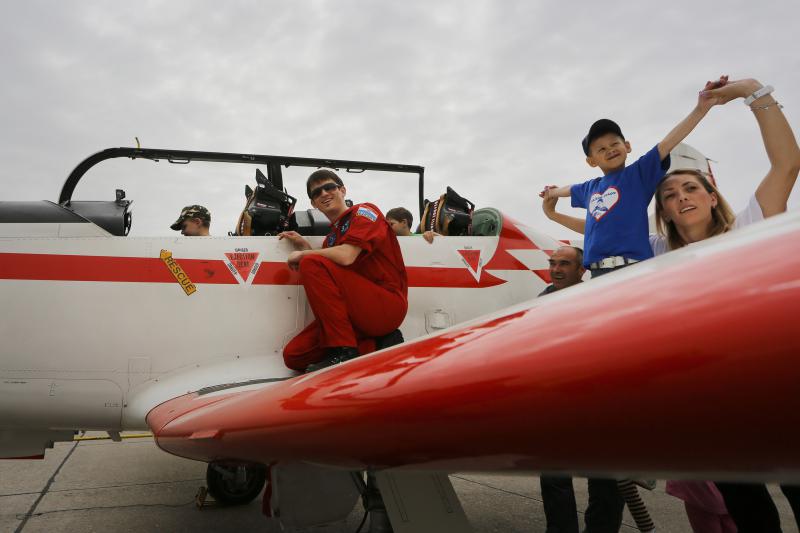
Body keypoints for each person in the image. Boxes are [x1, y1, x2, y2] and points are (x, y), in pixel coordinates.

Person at [544, 77, 800, 533]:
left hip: (772, 390)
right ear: (659, 209)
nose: (680, 195)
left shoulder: (748, 228)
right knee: (749, 509)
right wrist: (551, 211)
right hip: (717, 406)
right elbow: (597, 233)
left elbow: (787, 163)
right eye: (669, 192)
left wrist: (754, 92)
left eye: (691, 188)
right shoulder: (656, 255)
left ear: (711, 194)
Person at [539, 76, 727, 277]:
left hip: (634, 268)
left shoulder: (637, 175)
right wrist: (552, 193)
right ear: (591, 161)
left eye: (614, 144)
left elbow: (667, 143)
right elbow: (571, 190)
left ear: (627, 146)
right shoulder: (590, 188)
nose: (610, 150)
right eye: (601, 149)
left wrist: (700, 109)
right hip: (597, 273)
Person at [278, 169, 408, 373]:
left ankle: (345, 351)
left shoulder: (364, 212)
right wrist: (304, 246)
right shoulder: (331, 238)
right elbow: (330, 274)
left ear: (342, 190)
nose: (323, 194)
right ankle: (378, 343)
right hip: (355, 313)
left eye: (329, 187)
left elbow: (347, 256)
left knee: (311, 263)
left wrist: (304, 256)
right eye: (316, 193)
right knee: (294, 356)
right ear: (313, 204)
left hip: (385, 307)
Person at [537, 246, 627, 533]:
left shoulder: (597, 299)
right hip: (556, 401)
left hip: (595, 400)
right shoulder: (542, 301)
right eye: (552, 263)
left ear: (582, 270)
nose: (556, 269)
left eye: (564, 264)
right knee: (553, 477)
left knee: (605, 479)